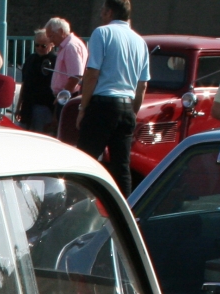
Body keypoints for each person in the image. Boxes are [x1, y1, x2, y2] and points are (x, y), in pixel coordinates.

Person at [76, 0, 148, 194]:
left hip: (103, 105)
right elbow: (142, 85)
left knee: (85, 161)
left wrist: (83, 108)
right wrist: (132, 113)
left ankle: (78, 206)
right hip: (127, 105)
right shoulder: (140, 41)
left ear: (109, 12)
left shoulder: (102, 33)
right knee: (121, 167)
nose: (101, 14)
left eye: (102, 10)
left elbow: (92, 73)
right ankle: (126, 211)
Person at [18, 27, 56, 131]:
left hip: (44, 106)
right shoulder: (31, 59)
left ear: (51, 44)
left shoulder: (54, 60)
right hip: (27, 105)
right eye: (37, 45)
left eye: (43, 46)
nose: (39, 48)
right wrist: (18, 106)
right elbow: (24, 83)